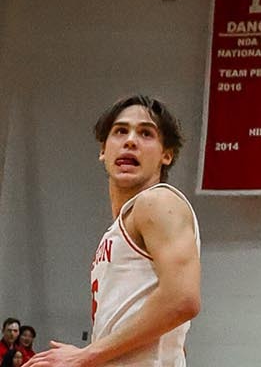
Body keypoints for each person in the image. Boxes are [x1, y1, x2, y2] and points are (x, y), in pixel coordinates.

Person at [34, 96, 201, 367]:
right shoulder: (120, 228)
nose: (130, 140)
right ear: (103, 149)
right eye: (120, 131)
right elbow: (166, 332)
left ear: (166, 155)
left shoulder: (158, 202)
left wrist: (85, 356)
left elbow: (182, 300)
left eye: (146, 133)